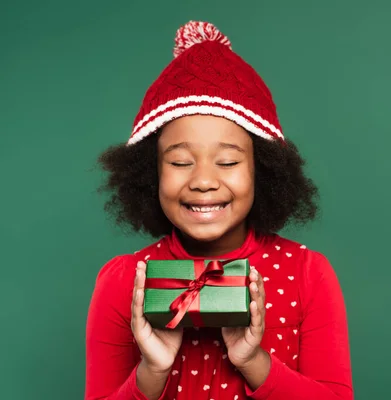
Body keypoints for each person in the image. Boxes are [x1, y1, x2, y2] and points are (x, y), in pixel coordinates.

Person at [84, 20, 353, 400]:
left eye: (227, 162)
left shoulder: (308, 274)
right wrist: (152, 371)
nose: (204, 181)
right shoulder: (123, 281)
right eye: (179, 163)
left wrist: (252, 361)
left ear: (264, 171)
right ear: (150, 174)